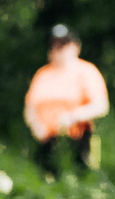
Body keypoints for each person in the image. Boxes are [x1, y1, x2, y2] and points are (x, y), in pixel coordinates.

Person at [23, 24, 109, 176]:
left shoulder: (86, 71)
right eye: (54, 45)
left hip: (77, 140)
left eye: (63, 45)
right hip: (46, 141)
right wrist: (36, 125)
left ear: (75, 46)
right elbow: (30, 107)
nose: (58, 49)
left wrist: (73, 117)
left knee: (80, 179)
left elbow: (101, 106)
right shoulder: (42, 74)